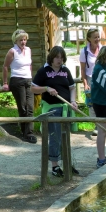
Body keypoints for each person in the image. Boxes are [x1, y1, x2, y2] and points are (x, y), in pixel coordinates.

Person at [32, 46, 79, 177]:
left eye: (62, 58)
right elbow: (33, 89)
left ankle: (67, 163)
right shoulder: (44, 71)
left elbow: (72, 88)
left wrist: (73, 101)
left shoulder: (65, 71)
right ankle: (55, 166)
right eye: (57, 57)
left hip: (66, 107)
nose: (60, 60)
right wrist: (47, 88)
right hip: (52, 108)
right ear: (51, 58)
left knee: (65, 136)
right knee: (55, 136)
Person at [79, 28, 106, 137]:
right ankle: (98, 125)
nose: (97, 39)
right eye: (94, 37)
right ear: (89, 39)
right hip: (91, 79)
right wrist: (85, 83)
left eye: (98, 36)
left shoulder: (103, 49)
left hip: (103, 78)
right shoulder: (84, 51)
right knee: (92, 104)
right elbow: (83, 69)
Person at [2, 29, 37, 143]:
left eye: (24, 39)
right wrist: (5, 83)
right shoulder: (12, 51)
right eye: (20, 40)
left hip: (28, 80)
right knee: (23, 107)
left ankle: (30, 133)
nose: (23, 42)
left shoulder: (28, 50)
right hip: (17, 80)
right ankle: (24, 132)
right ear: (15, 40)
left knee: (30, 107)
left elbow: (30, 65)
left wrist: (31, 78)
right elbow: (5, 67)